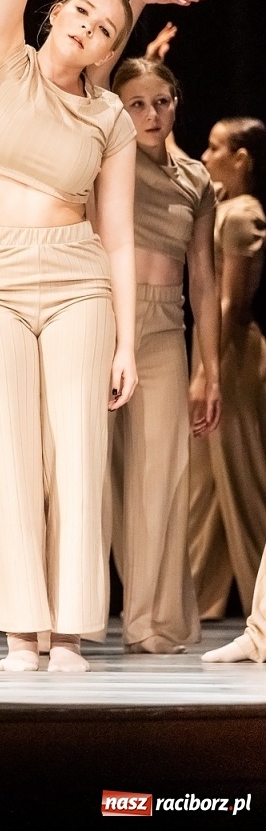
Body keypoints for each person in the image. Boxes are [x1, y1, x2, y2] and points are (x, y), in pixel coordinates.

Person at [0, 0, 164, 673]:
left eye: (106, 27)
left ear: (111, 51)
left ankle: (70, 630)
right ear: (54, 12)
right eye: (81, 10)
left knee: (77, 455)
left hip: (78, 279)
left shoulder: (109, 116)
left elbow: (118, 237)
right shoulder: (0, 62)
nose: (89, 27)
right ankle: (20, 630)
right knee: (3, 451)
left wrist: (126, 343)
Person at [101, 56, 220, 653]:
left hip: (165, 326)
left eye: (162, 102)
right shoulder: (105, 157)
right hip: (101, 319)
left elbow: (204, 279)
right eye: (137, 104)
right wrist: (138, 11)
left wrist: (210, 370)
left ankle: (154, 623)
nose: (152, 114)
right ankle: (63, 621)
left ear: (176, 104)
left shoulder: (197, 179)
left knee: (162, 476)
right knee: (86, 474)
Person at [189, 117, 266, 624]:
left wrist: (207, 373)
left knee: (243, 480)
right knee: (206, 487)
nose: (206, 155)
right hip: (216, 352)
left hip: (232, 358)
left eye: (216, 148)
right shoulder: (224, 206)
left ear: (241, 159)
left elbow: (231, 304)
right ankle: (197, 597)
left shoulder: (242, 214)